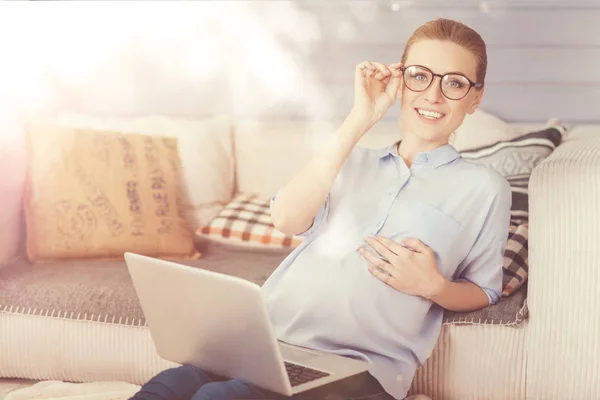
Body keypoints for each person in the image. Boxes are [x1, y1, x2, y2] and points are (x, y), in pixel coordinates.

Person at [130, 18, 511, 400]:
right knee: (168, 387)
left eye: (455, 83)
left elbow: (484, 289)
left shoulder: (484, 188)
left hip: (358, 369)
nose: (433, 95)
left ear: (475, 98)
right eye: (420, 76)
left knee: (218, 398)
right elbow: (286, 219)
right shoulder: (351, 160)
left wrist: (435, 286)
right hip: (267, 342)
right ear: (401, 80)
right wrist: (360, 118)